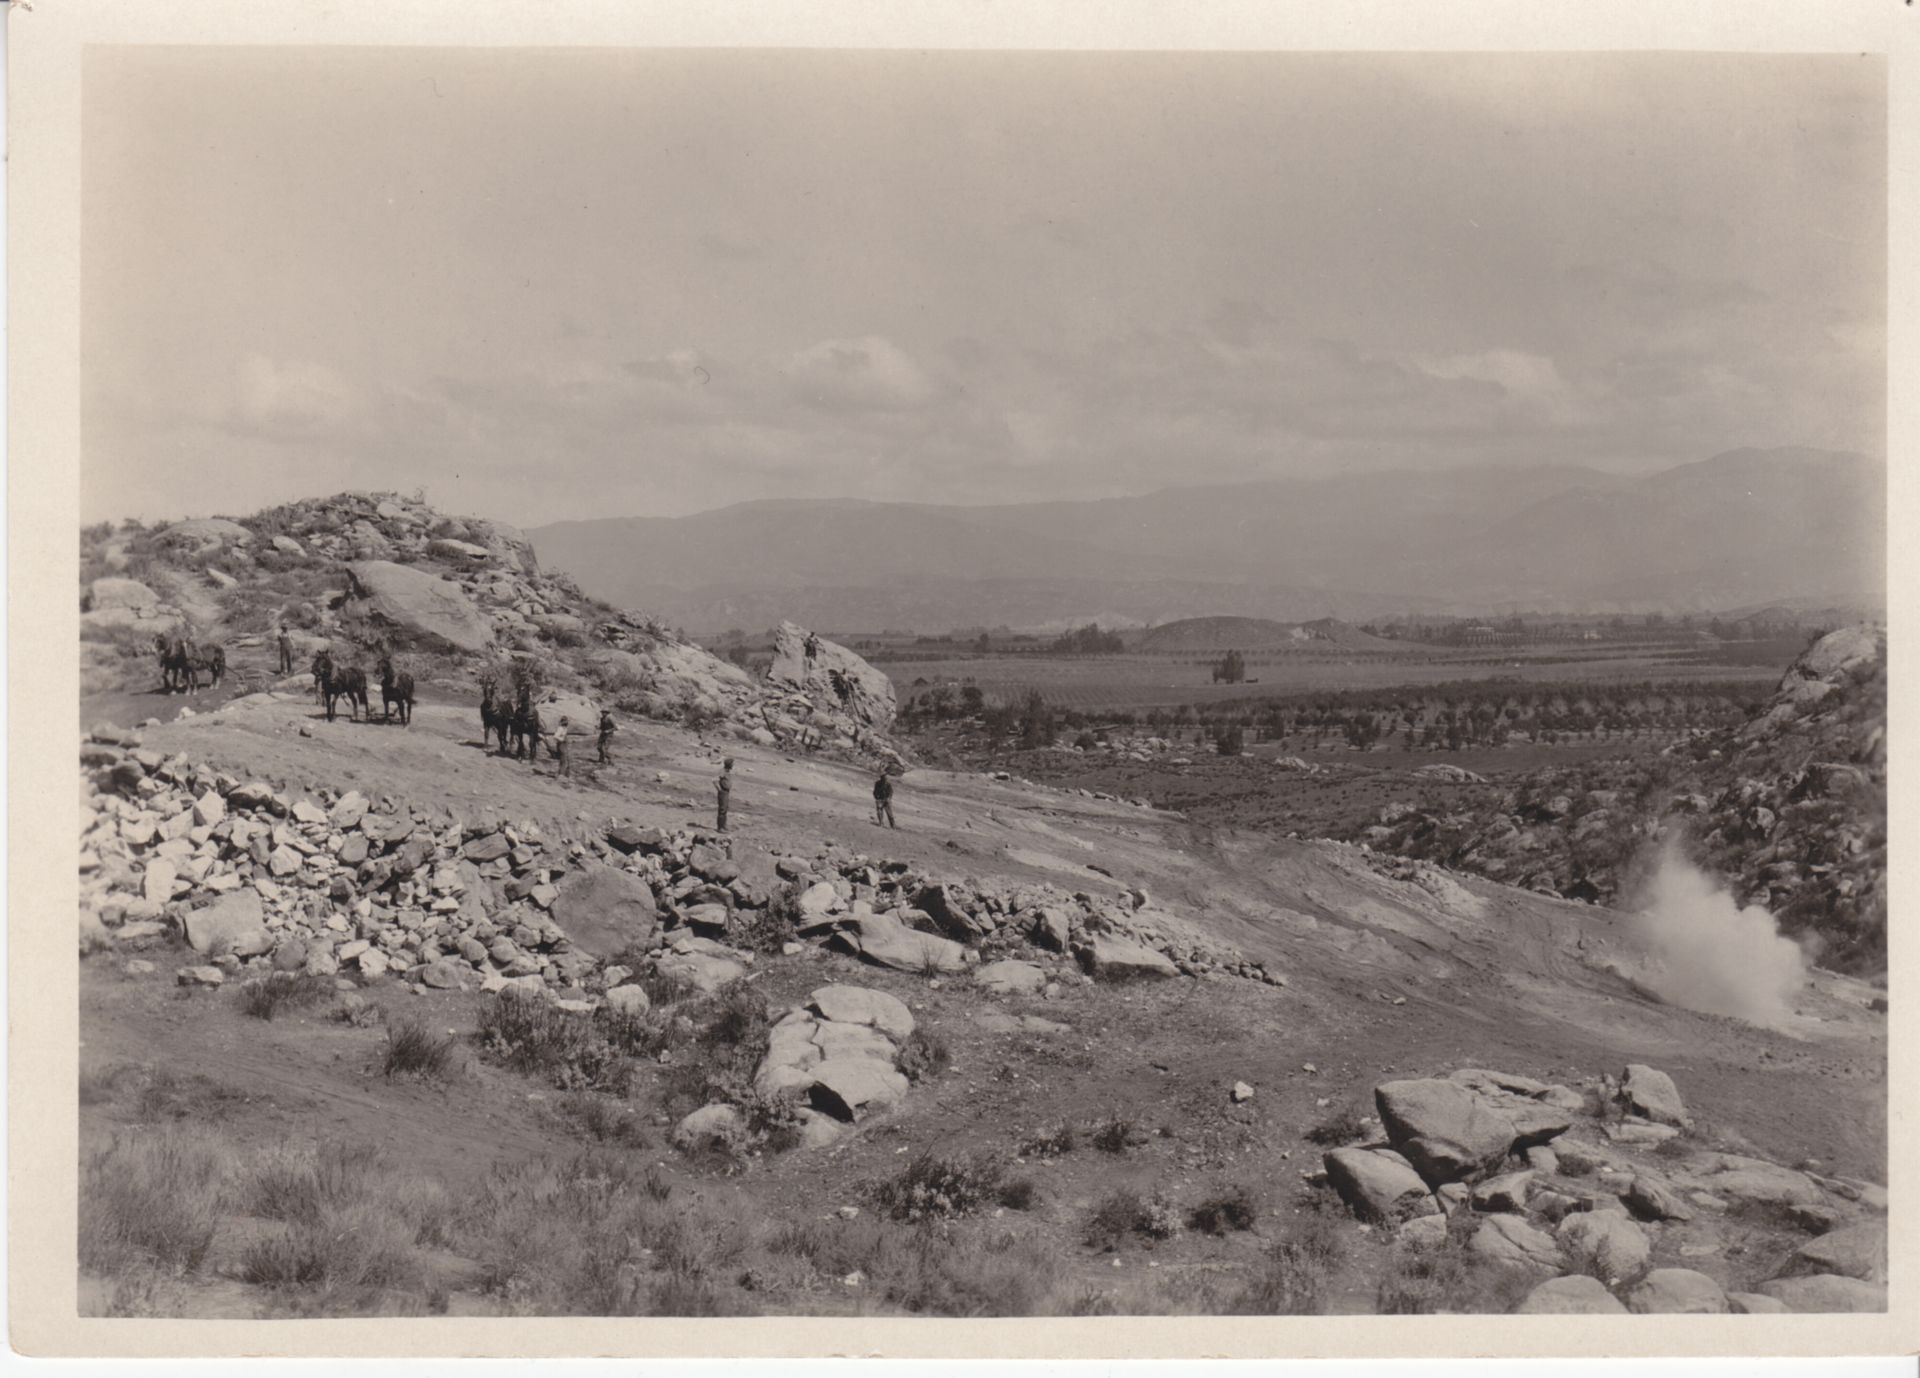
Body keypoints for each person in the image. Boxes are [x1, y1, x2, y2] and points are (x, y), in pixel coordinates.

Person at [715, 757, 734, 832]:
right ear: (729, 765)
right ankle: (720, 828)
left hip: (726, 792)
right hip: (723, 792)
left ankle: (724, 825)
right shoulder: (722, 771)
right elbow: (714, 780)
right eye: (732, 764)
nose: (733, 765)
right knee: (722, 810)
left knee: (725, 809)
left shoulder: (727, 771)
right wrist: (719, 789)